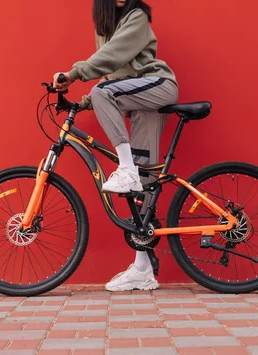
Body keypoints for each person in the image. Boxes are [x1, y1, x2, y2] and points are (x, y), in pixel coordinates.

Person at [52, 0, 178, 291]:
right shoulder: (105, 27)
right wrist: (82, 103)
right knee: (144, 185)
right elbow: (114, 75)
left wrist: (74, 73)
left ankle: (126, 168)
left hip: (158, 85)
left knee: (102, 95)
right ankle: (142, 269)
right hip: (141, 105)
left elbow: (110, 57)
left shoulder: (137, 17)